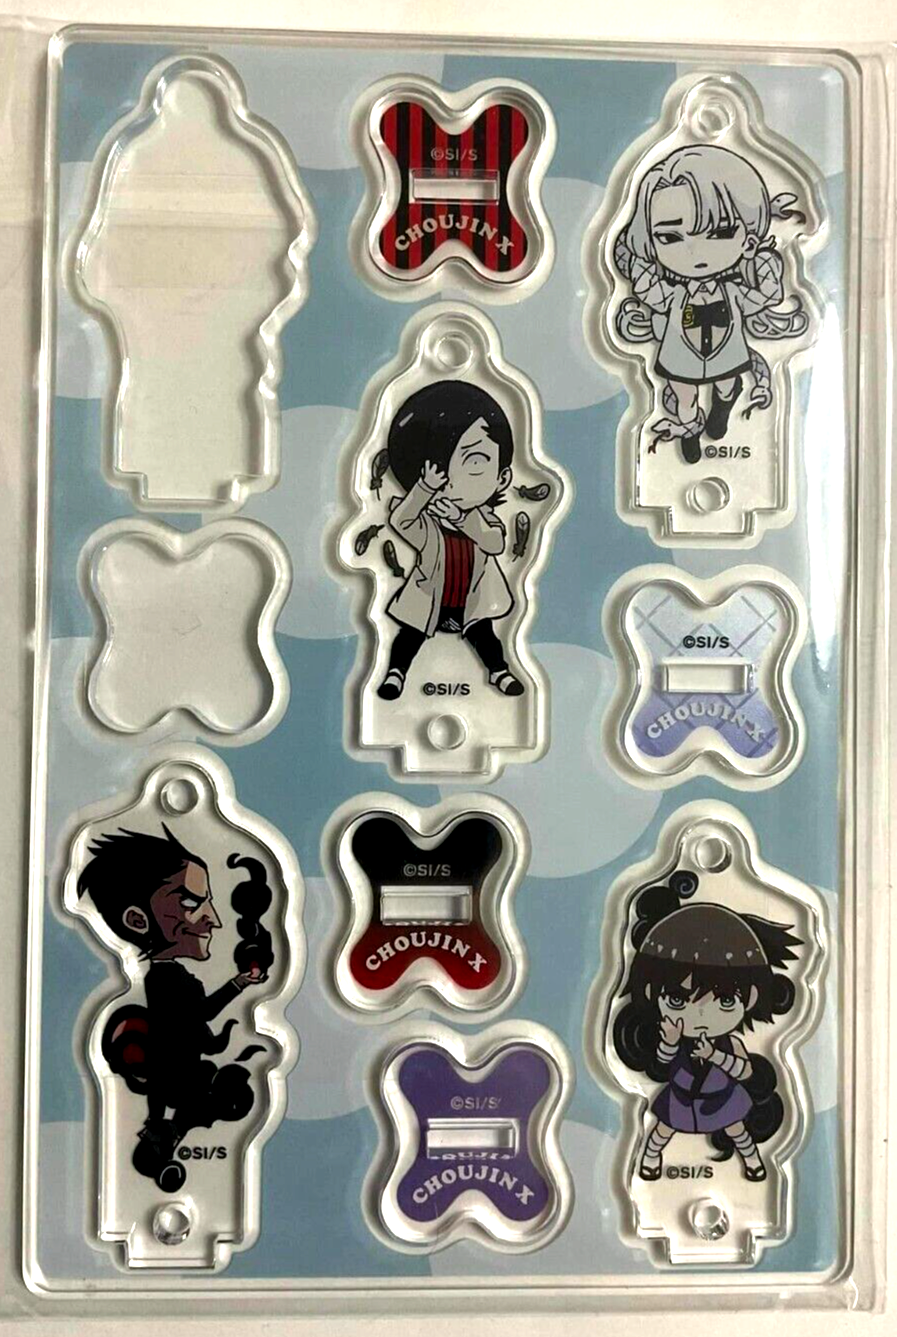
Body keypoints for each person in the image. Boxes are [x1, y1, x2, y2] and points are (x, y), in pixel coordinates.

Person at [78, 825, 269, 1192]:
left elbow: (197, 1024)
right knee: (219, 1098)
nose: (214, 919)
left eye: (208, 901)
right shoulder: (167, 980)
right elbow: (203, 1014)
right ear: (138, 920)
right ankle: (164, 1139)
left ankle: (164, 1137)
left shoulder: (170, 977)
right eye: (192, 903)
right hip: (177, 1074)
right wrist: (239, 983)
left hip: (174, 1072)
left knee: (216, 1096)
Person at [612, 144, 809, 462]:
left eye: (721, 232)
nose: (695, 251)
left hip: (726, 353)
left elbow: (767, 296)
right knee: (684, 395)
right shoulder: (673, 294)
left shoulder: (734, 292)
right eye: (670, 237)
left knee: (727, 383)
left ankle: (724, 403)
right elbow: (648, 291)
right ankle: (689, 428)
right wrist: (637, 261)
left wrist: (764, 262)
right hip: (679, 356)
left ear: (748, 239)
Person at [612, 868, 801, 1182]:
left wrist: (715, 1056)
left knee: (738, 1131)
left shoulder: (729, 1043)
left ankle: (753, 1162)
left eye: (725, 1001)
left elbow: (745, 1071)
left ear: (751, 998)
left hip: (722, 1099)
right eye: (677, 999)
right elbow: (661, 1064)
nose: (699, 1014)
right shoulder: (675, 1038)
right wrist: (670, 1041)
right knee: (661, 1130)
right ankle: (650, 1158)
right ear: (650, 992)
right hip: (681, 1098)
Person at [377, 380, 524, 701]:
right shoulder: (428, 526)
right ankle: (395, 673)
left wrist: (461, 518)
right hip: (431, 600)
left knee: (485, 636)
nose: (453, 479)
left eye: (474, 461)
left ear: (502, 477)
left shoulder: (483, 521)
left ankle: (499, 672)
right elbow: (401, 521)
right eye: (440, 467)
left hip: (471, 602)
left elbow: (495, 542)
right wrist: (425, 489)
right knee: (409, 635)